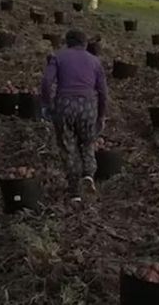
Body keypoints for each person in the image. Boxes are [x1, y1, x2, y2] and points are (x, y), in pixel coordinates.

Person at [40, 29, 108, 203]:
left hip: (65, 105)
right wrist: (100, 116)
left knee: (68, 147)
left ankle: (74, 192)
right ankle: (88, 174)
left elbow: (47, 82)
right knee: (87, 142)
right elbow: (103, 92)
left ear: (67, 42)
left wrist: (47, 105)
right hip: (88, 106)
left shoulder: (58, 57)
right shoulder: (95, 61)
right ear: (85, 44)